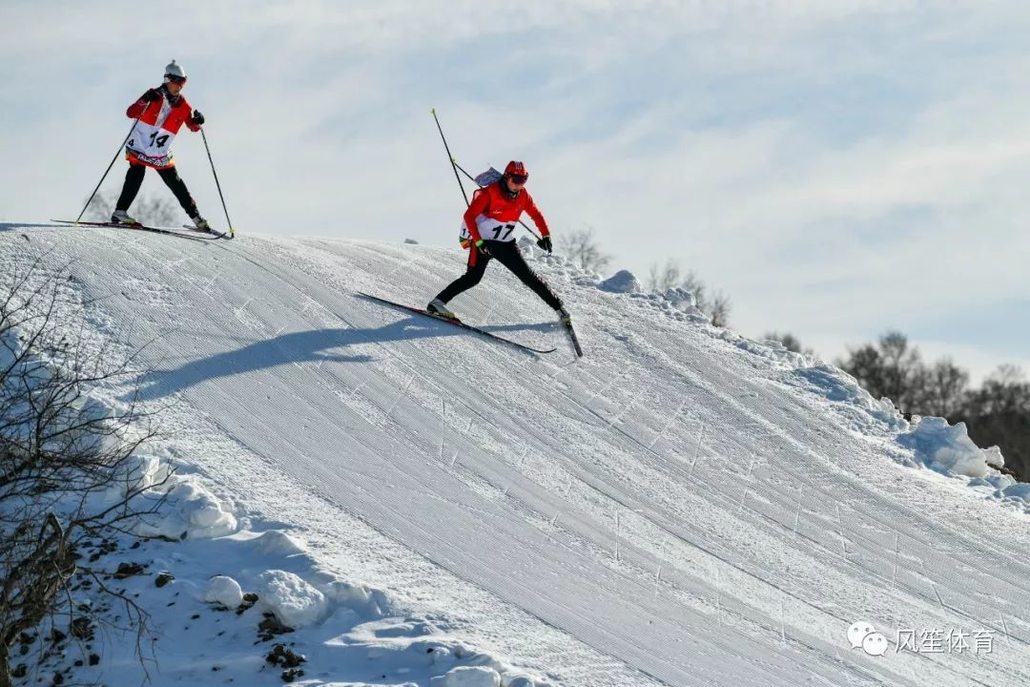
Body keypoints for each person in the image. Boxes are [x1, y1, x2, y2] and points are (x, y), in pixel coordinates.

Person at [428, 161, 570, 324]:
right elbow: (469, 216)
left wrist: (545, 235)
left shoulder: (523, 195)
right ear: (507, 177)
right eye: (516, 180)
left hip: (504, 243)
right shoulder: (490, 193)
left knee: (528, 276)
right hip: (484, 243)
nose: (519, 185)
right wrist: (479, 243)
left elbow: (536, 214)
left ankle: (560, 309)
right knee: (473, 278)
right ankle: (437, 304)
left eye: (523, 180)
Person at [110, 60, 211, 231]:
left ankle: (196, 218)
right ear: (167, 80)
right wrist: (144, 102)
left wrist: (197, 121)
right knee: (136, 173)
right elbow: (131, 112)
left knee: (175, 182)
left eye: (183, 82)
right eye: (176, 81)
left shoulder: (184, 105)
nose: (179, 86)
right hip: (140, 145)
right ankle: (120, 212)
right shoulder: (153, 95)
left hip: (158, 150)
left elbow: (192, 126)